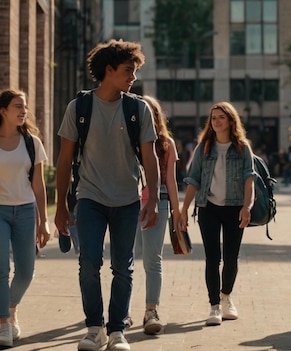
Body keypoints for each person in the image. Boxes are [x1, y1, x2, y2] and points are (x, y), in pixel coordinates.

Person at [54, 39, 159, 351]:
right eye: (129, 71)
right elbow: (63, 160)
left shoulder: (138, 109)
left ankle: (117, 332)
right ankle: (94, 328)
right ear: (109, 70)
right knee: (88, 263)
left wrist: (151, 199)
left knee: (122, 267)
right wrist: (60, 205)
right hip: (89, 197)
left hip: (127, 199)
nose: (133, 78)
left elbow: (150, 158)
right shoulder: (79, 108)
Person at [0, 89, 50, 348]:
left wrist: (43, 220)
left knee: (26, 271)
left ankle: (11, 308)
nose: (23, 111)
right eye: (18, 106)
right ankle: (4, 324)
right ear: (3, 110)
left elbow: (38, 185)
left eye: (24, 106)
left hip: (26, 211)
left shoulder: (31, 142)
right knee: (0, 271)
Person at [178, 101, 255, 327]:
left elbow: (249, 178)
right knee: (212, 259)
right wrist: (184, 210)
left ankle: (226, 297)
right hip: (208, 208)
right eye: (213, 118)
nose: (216, 121)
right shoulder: (204, 147)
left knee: (231, 258)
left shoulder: (242, 147)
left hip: (234, 208)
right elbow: (193, 180)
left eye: (221, 117)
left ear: (231, 120)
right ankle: (214, 306)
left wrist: (246, 207)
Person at [132, 95, 181, 335]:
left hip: (158, 201)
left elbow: (170, 180)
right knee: (125, 259)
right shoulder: (126, 137)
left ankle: (151, 310)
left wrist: (177, 210)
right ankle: (122, 312)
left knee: (153, 259)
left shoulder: (166, 143)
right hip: (127, 201)